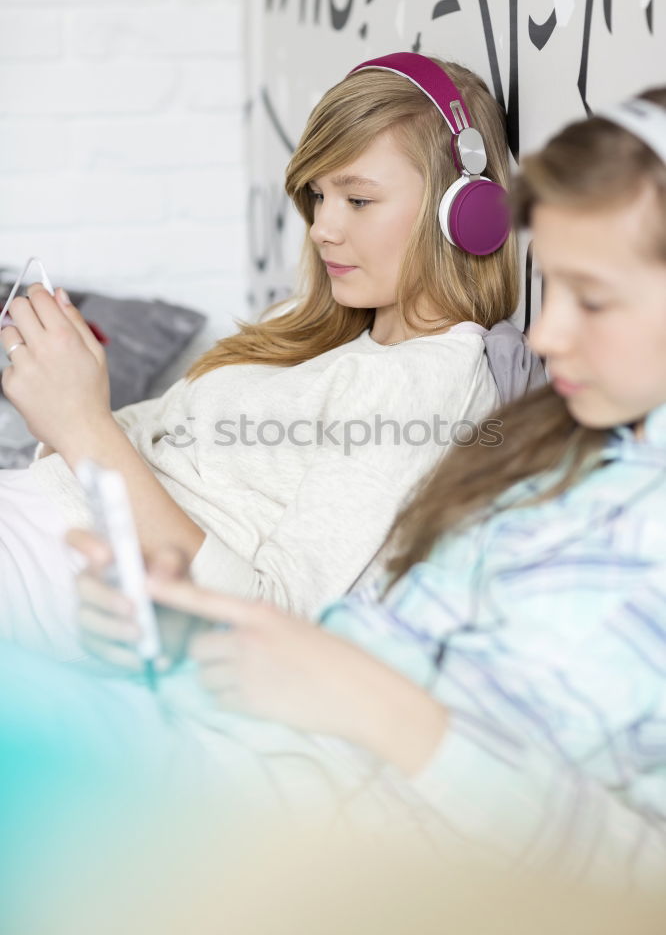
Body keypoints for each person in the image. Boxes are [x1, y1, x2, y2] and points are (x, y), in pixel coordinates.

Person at [1, 88, 665, 884]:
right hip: (245, 745)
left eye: (591, 298)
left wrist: (371, 705)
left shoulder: (450, 389)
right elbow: (357, 639)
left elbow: (625, 874)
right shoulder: (560, 453)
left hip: (309, 827)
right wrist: (178, 631)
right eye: (319, 196)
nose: (545, 332)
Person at [0, 53, 527, 660]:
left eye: (357, 200)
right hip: (37, 516)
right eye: (317, 195)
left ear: (465, 214)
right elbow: (141, 442)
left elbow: (277, 619)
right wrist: (60, 405)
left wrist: (82, 425)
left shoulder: (425, 383)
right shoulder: (302, 325)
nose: (322, 227)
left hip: (70, 580)